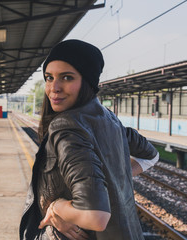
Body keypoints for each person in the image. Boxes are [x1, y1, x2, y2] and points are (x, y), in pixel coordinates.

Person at [19, 39, 159, 240]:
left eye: (67, 77)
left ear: (88, 82)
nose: (54, 87)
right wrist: (115, 177)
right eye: (49, 78)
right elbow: (151, 156)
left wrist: (57, 207)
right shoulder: (110, 120)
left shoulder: (66, 126)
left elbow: (96, 217)